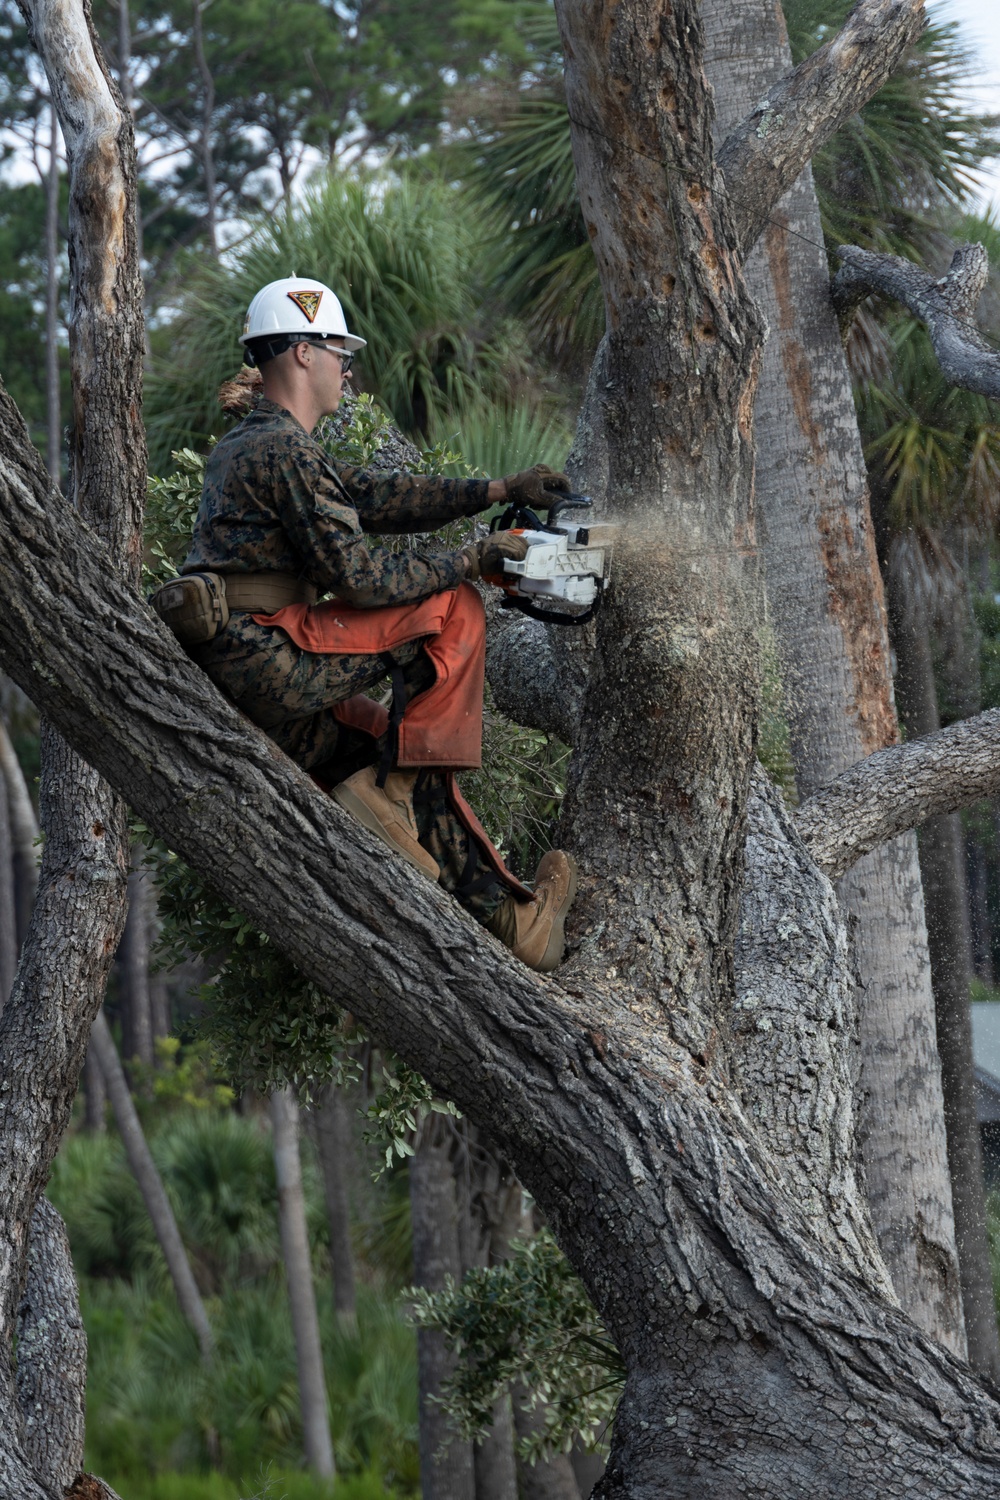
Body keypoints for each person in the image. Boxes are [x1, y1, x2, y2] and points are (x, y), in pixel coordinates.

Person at [179, 276, 578, 971]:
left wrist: (498, 491)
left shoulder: (266, 445)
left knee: (387, 745)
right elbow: (362, 581)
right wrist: (471, 558)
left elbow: (371, 495)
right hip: (266, 651)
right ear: (303, 354)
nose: (346, 367)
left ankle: (517, 923)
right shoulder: (282, 450)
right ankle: (390, 797)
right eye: (338, 351)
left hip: (249, 665)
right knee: (455, 607)